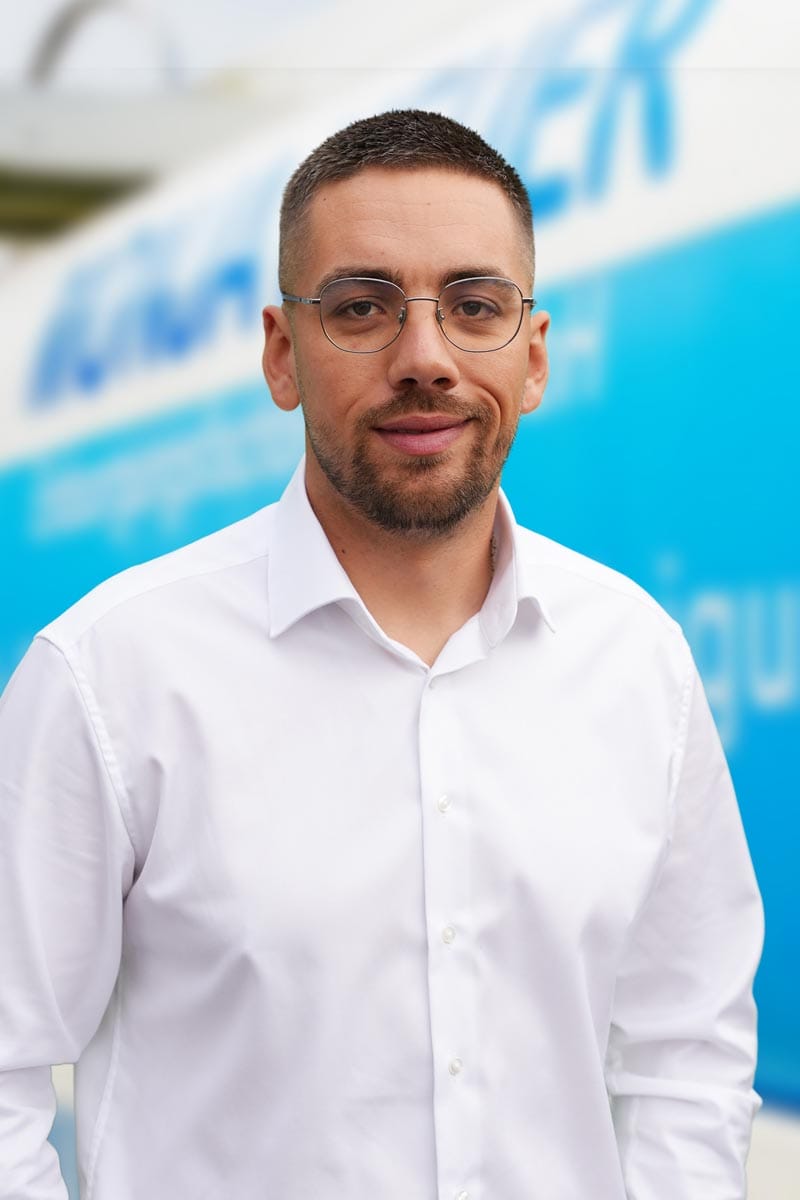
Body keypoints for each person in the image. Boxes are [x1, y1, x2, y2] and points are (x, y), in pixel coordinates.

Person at [0, 110, 762, 1200]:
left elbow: (687, 1054)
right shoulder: (110, 675)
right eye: (361, 307)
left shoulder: (637, 663)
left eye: (475, 305)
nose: (425, 360)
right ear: (282, 354)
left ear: (534, 355)